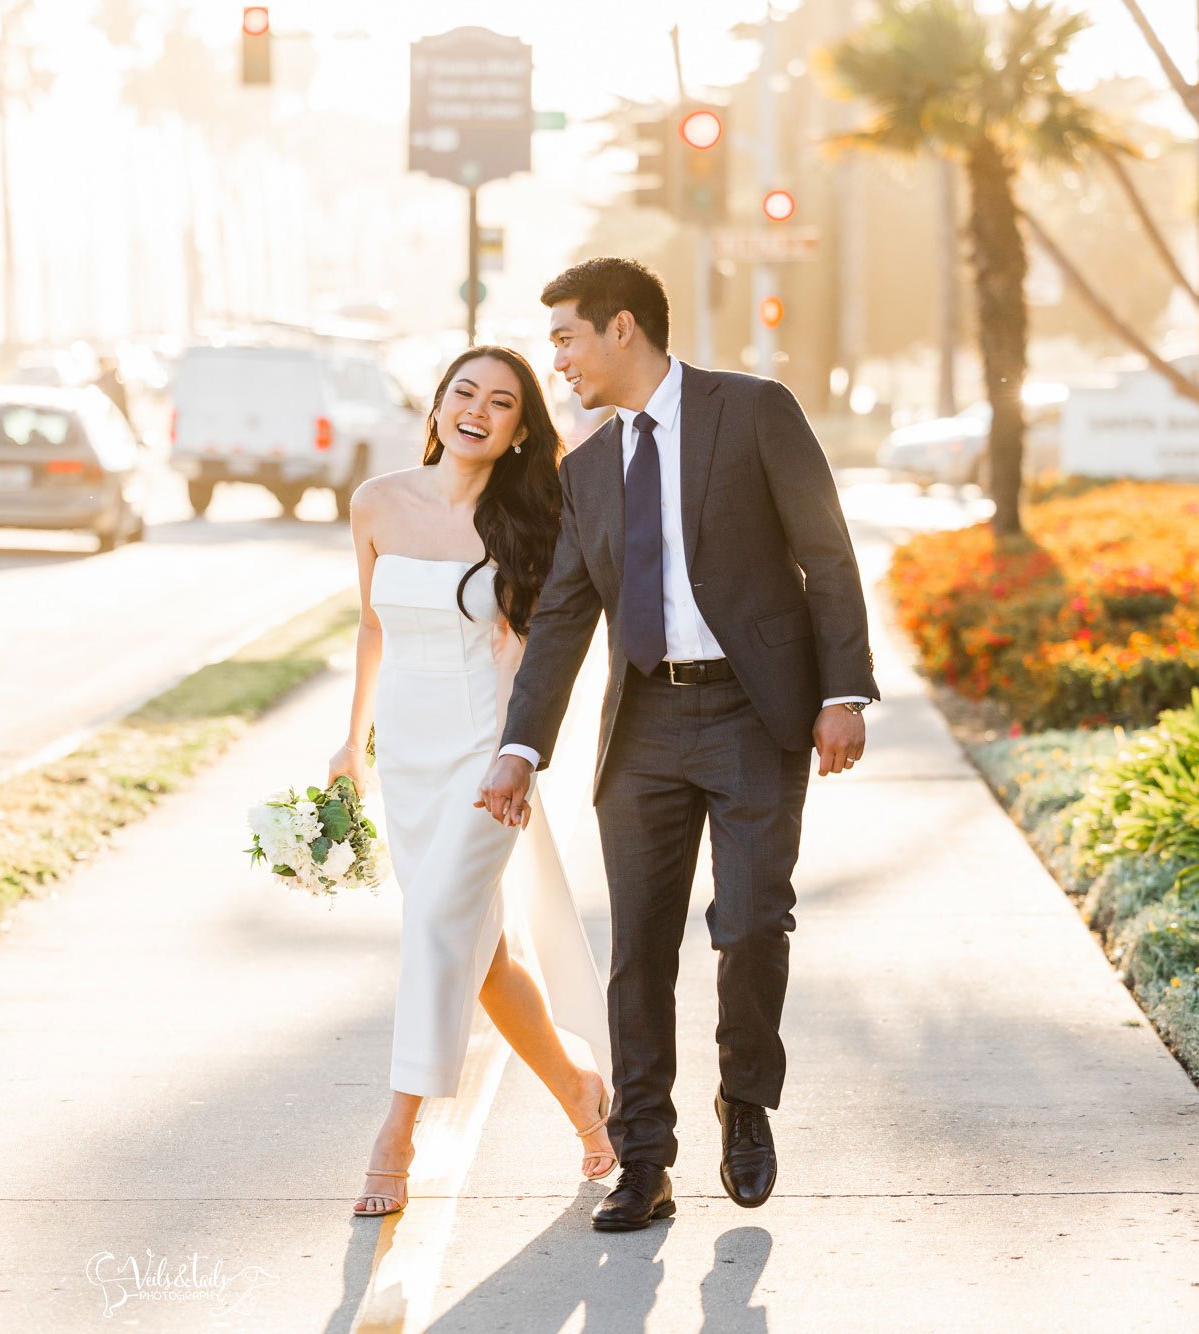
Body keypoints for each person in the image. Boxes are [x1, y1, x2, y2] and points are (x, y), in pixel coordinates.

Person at [478, 258, 879, 1232]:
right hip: (645, 726)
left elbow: (823, 549)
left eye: (566, 336)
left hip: (753, 713)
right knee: (638, 951)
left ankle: (743, 1099)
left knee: (748, 922)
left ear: (622, 329)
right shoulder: (585, 469)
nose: (557, 359)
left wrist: (841, 689)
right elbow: (565, 620)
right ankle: (644, 1160)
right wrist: (520, 748)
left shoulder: (751, 411)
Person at [333, 345, 615, 1217]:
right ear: (438, 404)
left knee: (436, 925)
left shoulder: (528, 523)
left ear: (521, 428)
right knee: (476, 949)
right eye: (465, 393)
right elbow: (371, 628)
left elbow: (537, 654)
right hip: (407, 756)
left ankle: (396, 1132)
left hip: (484, 752)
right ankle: (578, 1092)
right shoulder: (376, 502)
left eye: (501, 402)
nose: (477, 411)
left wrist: (519, 754)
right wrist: (350, 745)